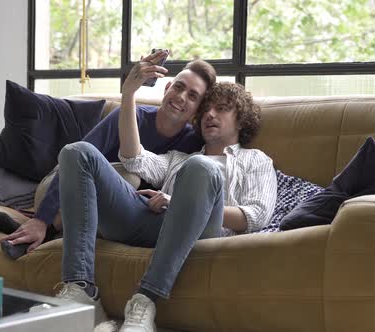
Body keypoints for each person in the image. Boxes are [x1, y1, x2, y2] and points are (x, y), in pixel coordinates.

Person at [54, 68, 277, 331]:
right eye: (206, 109)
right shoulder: (177, 158)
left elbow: (256, 215)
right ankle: (80, 289)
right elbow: (133, 157)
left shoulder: (256, 159)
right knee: (78, 152)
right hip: (155, 224)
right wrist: (129, 94)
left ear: (241, 121)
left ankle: (145, 300)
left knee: (201, 167)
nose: (210, 114)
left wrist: (178, 201)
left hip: (204, 231)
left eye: (222, 109)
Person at [0, 51, 217, 256]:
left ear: (198, 109)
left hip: (111, 211)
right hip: (62, 186)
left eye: (192, 96)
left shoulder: (193, 143)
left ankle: (41, 229)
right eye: (178, 87)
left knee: (133, 191)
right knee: (130, 177)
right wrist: (42, 218)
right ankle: (43, 229)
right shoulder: (129, 116)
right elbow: (75, 159)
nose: (181, 97)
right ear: (167, 87)